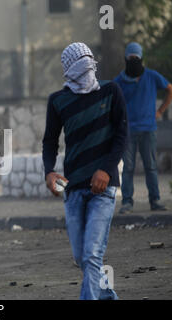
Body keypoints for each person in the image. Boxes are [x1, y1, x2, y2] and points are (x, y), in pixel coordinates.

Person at [43, 42, 128, 300]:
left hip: (103, 189)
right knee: (82, 258)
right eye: (80, 69)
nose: (86, 74)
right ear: (68, 71)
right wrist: (49, 171)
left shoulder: (111, 91)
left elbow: (122, 135)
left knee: (92, 254)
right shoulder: (58, 101)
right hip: (73, 189)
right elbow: (49, 142)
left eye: (88, 66)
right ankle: (108, 296)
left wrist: (106, 169)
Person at [114, 42, 172, 214]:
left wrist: (160, 111)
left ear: (141, 58)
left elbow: (171, 90)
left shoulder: (151, 76)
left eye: (136, 58)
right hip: (128, 131)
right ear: (126, 59)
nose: (133, 60)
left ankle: (155, 200)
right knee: (128, 168)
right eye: (130, 58)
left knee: (151, 167)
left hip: (148, 129)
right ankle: (127, 202)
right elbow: (112, 99)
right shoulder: (119, 81)